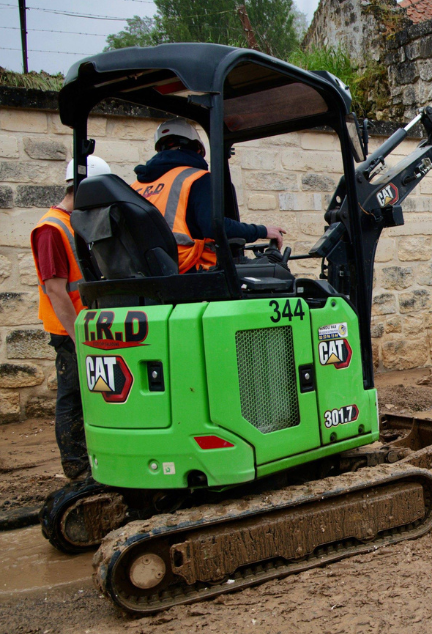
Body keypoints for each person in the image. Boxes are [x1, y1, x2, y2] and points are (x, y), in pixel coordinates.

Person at [31, 155, 111, 479]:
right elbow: (56, 290)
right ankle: (76, 467)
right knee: (72, 395)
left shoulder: (73, 223)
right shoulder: (50, 229)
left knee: (89, 393)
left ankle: (92, 456)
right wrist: (79, 338)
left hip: (84, 325)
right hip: (69, 330)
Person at [131, 119, 285, 273]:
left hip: (148, 270)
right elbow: (214, 226)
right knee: (277, 275)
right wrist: (262, 231)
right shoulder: (197, 178)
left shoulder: (136, 187)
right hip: (188, 269)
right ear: (197, 149)